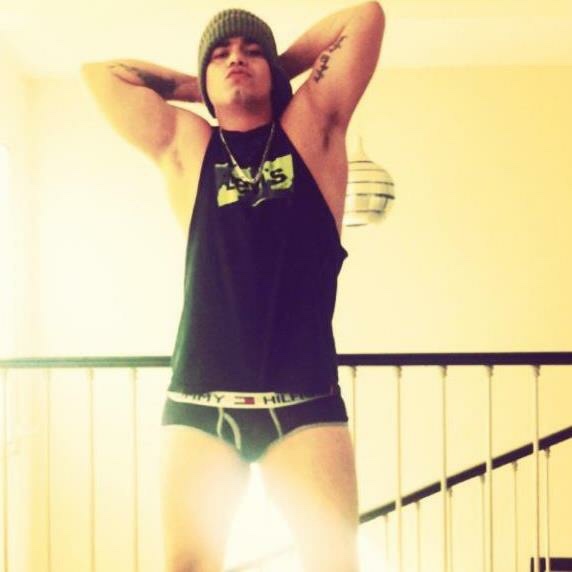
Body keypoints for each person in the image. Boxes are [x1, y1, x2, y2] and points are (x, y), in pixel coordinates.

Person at [82, 3, 384, 570]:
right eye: (220, 55)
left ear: (273, 68)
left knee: (333, 563)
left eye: (251, 52)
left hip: (304, 403)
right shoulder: (189, 145)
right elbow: (102, 75)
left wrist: (276, 65)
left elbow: (364, 16)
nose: (235, 59)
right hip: (199, 404)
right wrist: (194, 87)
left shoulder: (311, 131)